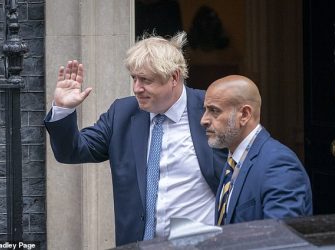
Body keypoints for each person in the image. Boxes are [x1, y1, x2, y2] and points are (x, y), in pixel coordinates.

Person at [44, 32, 227, 246]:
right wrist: (63, 109)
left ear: (174, 77)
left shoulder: (210, 109)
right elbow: (72, 151)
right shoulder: (122, 113)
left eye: (146, 80)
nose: (136, 88)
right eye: (134, 78)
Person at [200, 75, 312, 226]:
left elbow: (280, 238)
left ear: (245, 115)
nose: (203, 120)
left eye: (214, 111)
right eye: (205, 110)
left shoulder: (278, 164)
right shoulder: (233, 160)